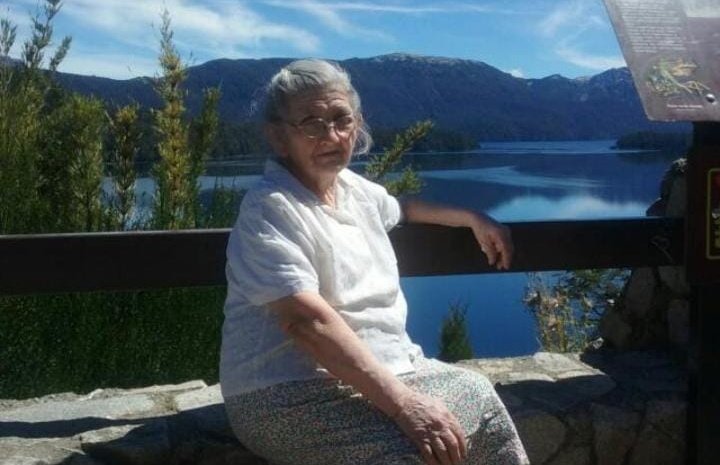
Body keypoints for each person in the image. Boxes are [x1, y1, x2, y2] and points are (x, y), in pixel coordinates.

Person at [220, 58, 529, 465]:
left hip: (385, 372)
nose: (331, 135)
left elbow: (403, 209)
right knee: (407, 454)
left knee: (481, 399)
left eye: (341, 119)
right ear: (278, 137)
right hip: (284, 393)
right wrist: (404, 405)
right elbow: (306, 321)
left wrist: (472, 217)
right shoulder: (271, 209)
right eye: (311, 123)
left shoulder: (354, 190)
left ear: (357, 125)